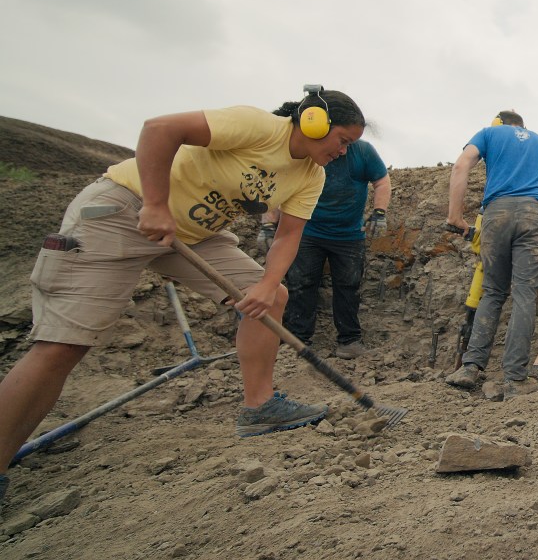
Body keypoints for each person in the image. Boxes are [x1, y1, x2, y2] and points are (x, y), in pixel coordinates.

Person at [0, 86, 366, 507]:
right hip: (124, 211)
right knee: (62, 346)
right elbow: (160, 129)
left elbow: (289, 235)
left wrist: (265, 286)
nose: (344, 152)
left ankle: (259, 407)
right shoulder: (258, 127)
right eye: (343, 141)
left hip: (193, 236)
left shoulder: (311, 175)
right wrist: (155, 204)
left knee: (273, 296)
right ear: (314, 121)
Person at [444, 110, 538, 399]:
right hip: (532, 214)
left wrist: (455, 216)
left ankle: (470, 367)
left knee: (492, 292)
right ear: (522, 125)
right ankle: (515, 378)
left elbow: (462, 166)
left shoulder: (489, 134)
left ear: (499, 122)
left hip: (496, 214)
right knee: (524, 293)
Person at [269, 140, 391, 359]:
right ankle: (297, 341)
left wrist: (379, 212)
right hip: (307, 231)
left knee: (348, 287)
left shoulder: (362, 151)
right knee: (301, 284)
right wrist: (269, 225)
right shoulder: (307, 151)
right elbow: (278, 185)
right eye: (341, 141)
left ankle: (349, 341)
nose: (343, 149)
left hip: (349, 235)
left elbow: (381, 180)